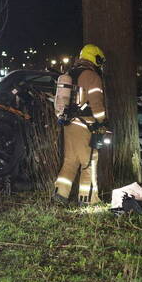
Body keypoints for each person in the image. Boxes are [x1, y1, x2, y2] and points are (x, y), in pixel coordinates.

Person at [52, 44, 108, 205]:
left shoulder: (70, 73)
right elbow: (96, 103)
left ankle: (60, 194)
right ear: (95, 58)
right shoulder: (92, 76)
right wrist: (102, 121)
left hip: (69, 124)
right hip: (86, 125)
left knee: (70, 161)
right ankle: (88, 199)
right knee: (88, 162)